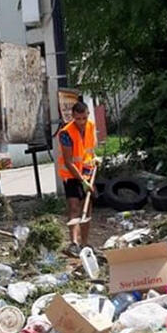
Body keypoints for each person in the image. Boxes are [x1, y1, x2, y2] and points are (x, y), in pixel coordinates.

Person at [57, 100, 98, 257]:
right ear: (73, 117)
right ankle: (74, 244)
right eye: (78, 119)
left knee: (87, 207)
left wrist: (95, 159)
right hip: (71, 175)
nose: (81, 122)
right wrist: (82, 181)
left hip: (87, 171)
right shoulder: (66, 133)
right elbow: (68, 162)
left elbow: (89, 150)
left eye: (84, 118)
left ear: (88, 115)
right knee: (74, 207)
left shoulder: (91, 126)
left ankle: (85, 244)